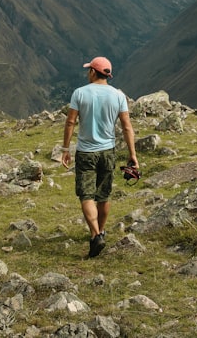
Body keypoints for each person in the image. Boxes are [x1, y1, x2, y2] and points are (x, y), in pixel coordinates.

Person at [61, 56, 138, 258]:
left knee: (86, 195)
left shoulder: (79, 93)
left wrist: (65, 149)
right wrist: (133, 155)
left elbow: (70, 123)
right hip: (108, 151)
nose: (88, 73)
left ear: (93, 72)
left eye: (89, 70)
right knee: (103, 195)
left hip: (86, 151)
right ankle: (101, 232)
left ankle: (95, 234)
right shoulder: (118, 95)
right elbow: (127, 127)